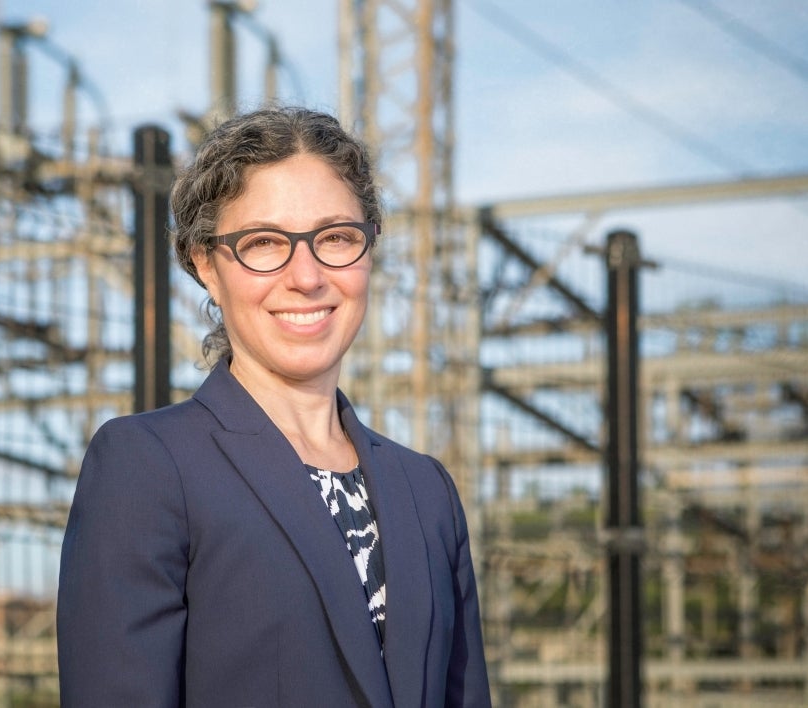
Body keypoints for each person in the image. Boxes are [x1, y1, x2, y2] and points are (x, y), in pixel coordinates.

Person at [57, 105, 491, 707]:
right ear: (206, 265)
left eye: (336, 237)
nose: (307, 275)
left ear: (368, 252)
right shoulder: (149, 466)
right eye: (264, 243)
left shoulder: (428, 491)